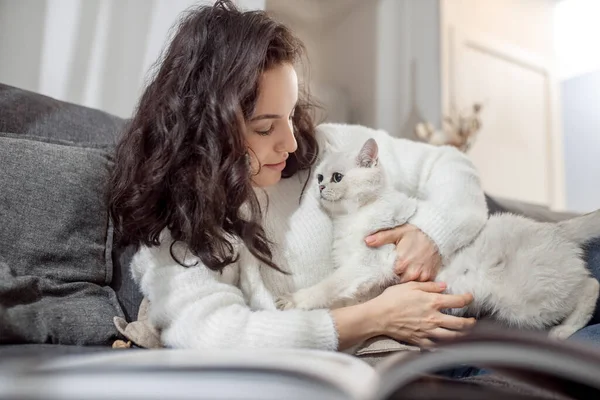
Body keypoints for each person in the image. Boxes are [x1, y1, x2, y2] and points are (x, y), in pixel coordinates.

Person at [108, 0, 599, 364]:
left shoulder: (326, 145)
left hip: (496, 257)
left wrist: (432, 231)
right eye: (264, 128)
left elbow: (450, 167)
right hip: (460, 332)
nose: (293, 144)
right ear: (207, 129)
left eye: (290, 114)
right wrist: (375, 318)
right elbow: (216, 334)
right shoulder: (185, 229)